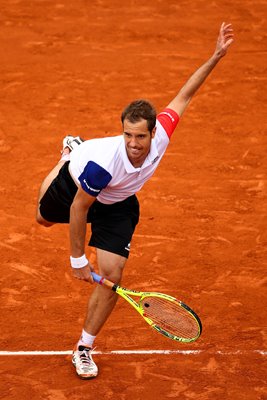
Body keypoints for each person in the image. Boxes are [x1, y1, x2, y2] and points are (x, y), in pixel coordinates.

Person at [36, 23, 234, 379]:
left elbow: (185, 94)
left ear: (153, 132)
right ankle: (68, 152)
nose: (133, 143)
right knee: (42, 218)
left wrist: (215, 56)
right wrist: (78, 258)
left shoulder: (162, 135)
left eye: (140, 136)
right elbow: (80, 208)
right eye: (127, 134)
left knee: (112, 273)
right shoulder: (103, 163)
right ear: (122, 130)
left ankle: (83, 347)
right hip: (78, 184)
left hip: (120, 201)